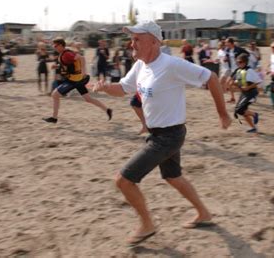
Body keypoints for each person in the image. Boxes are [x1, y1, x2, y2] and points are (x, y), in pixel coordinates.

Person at [92, 21, 231, 246]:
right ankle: (204, 214)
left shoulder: (171, 65)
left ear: (154, 42)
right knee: (172, 176)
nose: (132, 43)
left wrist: (222, 114)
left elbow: (211, 79)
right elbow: (124, 88)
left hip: (170, 135)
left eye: (137, 38)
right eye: (132, 38)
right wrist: (105, 87)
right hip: (158, 134)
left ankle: (148, 225)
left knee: (123, 180)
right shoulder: (140, 66)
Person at [42, 38, 112, 124]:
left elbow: (81, 58)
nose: (54, 47)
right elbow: (68, 65)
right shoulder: (64, 54)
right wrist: (57, 66)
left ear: (61, 45)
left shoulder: (66, 54)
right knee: (88, 99)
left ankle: (54, 118)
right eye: (53, 46)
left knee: (55, 94)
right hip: (76, 79)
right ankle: (107, 110)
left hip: (74, 80)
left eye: (55, 46)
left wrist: (83, 72)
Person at [228, 53, 260, 132]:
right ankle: (253, 128)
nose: (238, 64)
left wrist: (248, 87)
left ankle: (254, 114)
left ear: (245, 62)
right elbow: (236, 82)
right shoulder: (239, 71)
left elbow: (258, 81)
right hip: (244, 94)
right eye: (237, 62)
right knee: (241, 111)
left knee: (239, 110)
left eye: (240, 62)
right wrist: (234, 84)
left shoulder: (250, 70)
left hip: (251, 93)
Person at [224, 37, 249, 103]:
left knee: (234, 84)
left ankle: (246, 95)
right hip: (232, 70)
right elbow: (226, 56)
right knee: (228, 83)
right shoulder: (228, 50)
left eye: (227, 42)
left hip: (238, 70)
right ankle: (233, 98)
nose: (225, 43)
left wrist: (242, 61)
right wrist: (225, 59)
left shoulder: (238, 49)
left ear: (230, 43)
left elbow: (247, 54)